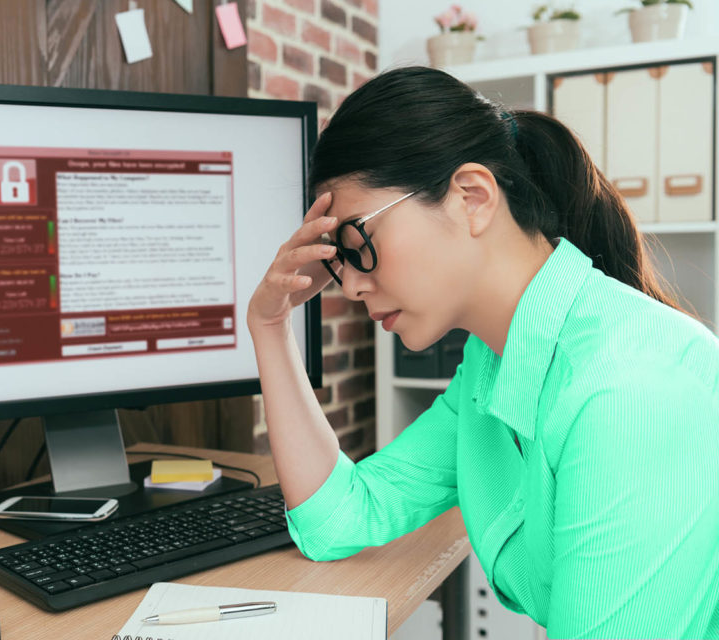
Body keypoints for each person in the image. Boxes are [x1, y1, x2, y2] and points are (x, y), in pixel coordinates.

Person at [246, 66, 719, 639]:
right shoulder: (493, 367)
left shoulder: (631, 389)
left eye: (356, 245)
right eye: (335, 261)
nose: (347, 286)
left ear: (472, 197)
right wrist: (270, 324)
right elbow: (339, 519)